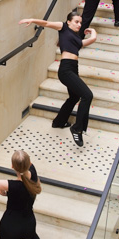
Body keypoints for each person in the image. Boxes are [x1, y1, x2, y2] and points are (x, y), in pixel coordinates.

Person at [18, 13, 96, 146]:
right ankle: (77, 129)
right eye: (76, 21)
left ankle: (59, 122)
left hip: (73, 68)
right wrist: (32, 19)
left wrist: (93, 31)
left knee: (74, 97)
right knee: (87, 95)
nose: (79, 25)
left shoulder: (77, 39)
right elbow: (47, 24)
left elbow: (89, 40)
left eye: (80, 23)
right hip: (66, 69)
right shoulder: (63, 27)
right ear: (69, 21)